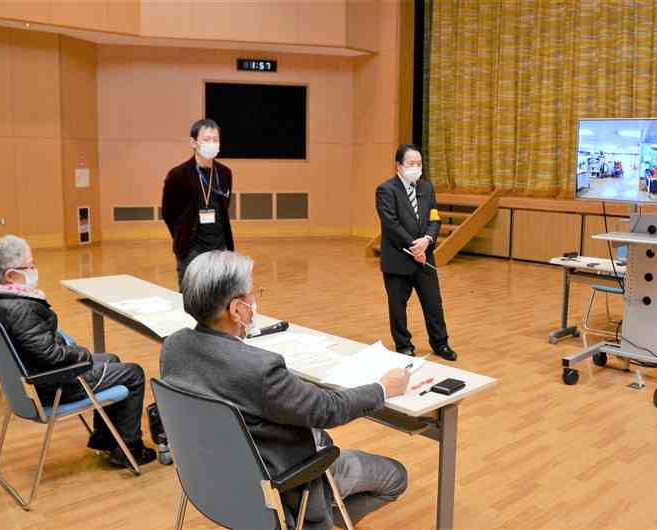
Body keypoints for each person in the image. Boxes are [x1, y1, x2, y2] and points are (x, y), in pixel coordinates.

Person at [160, 250, 409, 530]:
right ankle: (316, 518)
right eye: (252, 294)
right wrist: (382, 389)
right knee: (396, 476)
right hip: (285, 480)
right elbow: (328, 409)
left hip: (212, 478)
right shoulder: (260, 369)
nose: (255, 301)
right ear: (237, 310)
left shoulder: (174, 347)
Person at [0, 235, 155, 468]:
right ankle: (130, 449)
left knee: (111, 359)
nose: (34, 270)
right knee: (133, 373)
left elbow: (39, 344)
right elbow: (50, 355)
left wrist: (70, 349)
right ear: (10, 275)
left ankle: (106, 439)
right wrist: (81, 354)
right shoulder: (21, 308)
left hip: (37, 377)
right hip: (54, 384)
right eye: (30, 266)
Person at [375, 144, 457, 361]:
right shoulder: (386, 190)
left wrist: (427, 240)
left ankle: (440, 343)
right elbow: (390, 224)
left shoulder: (427, 188)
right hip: (399, 258)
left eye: (419, 164)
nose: (416, 167)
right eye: (411, 163)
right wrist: (415, 247)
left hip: (424, 258)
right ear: (399, 166)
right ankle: (403, 344)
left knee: (433, 303)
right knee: (398, 307)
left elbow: (434, 218)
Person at [162, 118, 234, 290]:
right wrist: (182, 234)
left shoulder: (225, 173)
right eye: (207, 139)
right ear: (193, 142)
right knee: (191, 301)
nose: (212, 144)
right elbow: (168, 213)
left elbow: (225, 207)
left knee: (219, 302)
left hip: (220, 249)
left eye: (215, 140)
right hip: (191, 250)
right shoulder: (177, 175)